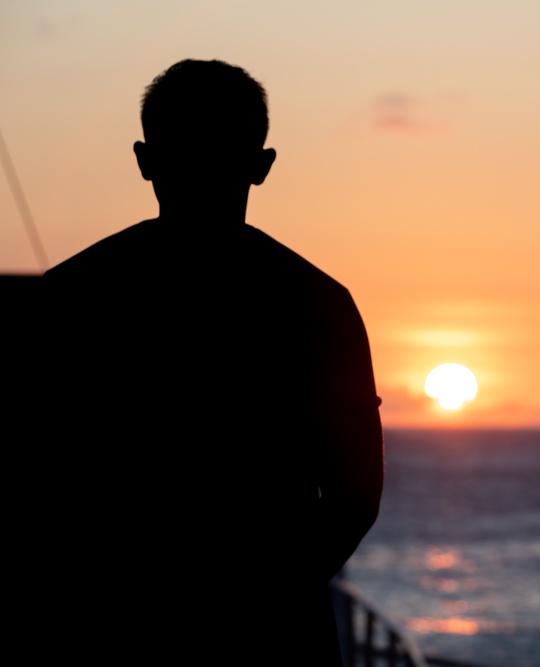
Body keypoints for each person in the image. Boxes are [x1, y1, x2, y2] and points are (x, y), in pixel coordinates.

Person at [43, 60, 383, 664]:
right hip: (272, 635)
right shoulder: (319, 303)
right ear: (262, 165)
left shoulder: (67, 295)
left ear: (144, 160)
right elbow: (355, 498)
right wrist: (263, 599)